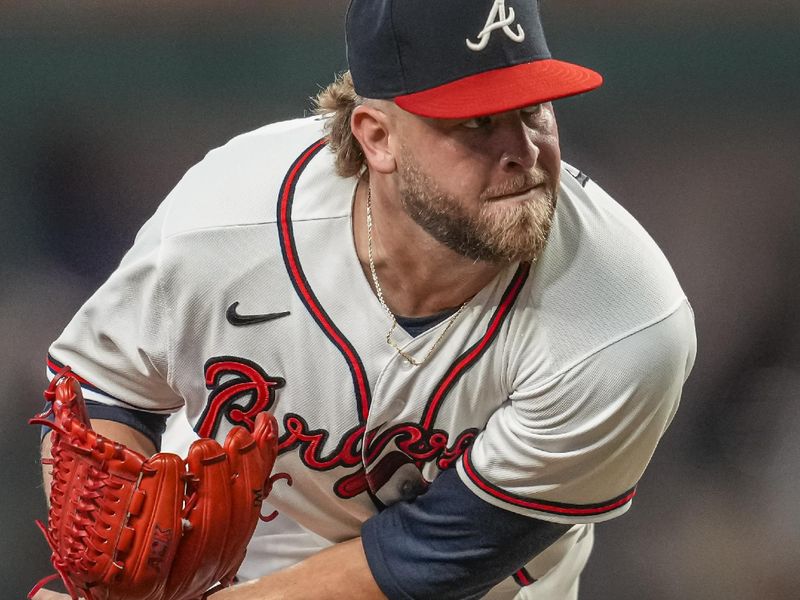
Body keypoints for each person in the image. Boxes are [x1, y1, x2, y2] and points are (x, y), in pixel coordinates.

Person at [37, 0, 696, 598]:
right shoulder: (227, 223)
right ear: (377, 136)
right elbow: (104, 381)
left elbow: (427, 561)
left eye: (534, 110)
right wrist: (110, 577)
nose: (523, 152)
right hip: (231, 554)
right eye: (478, 123)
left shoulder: (626, 322)